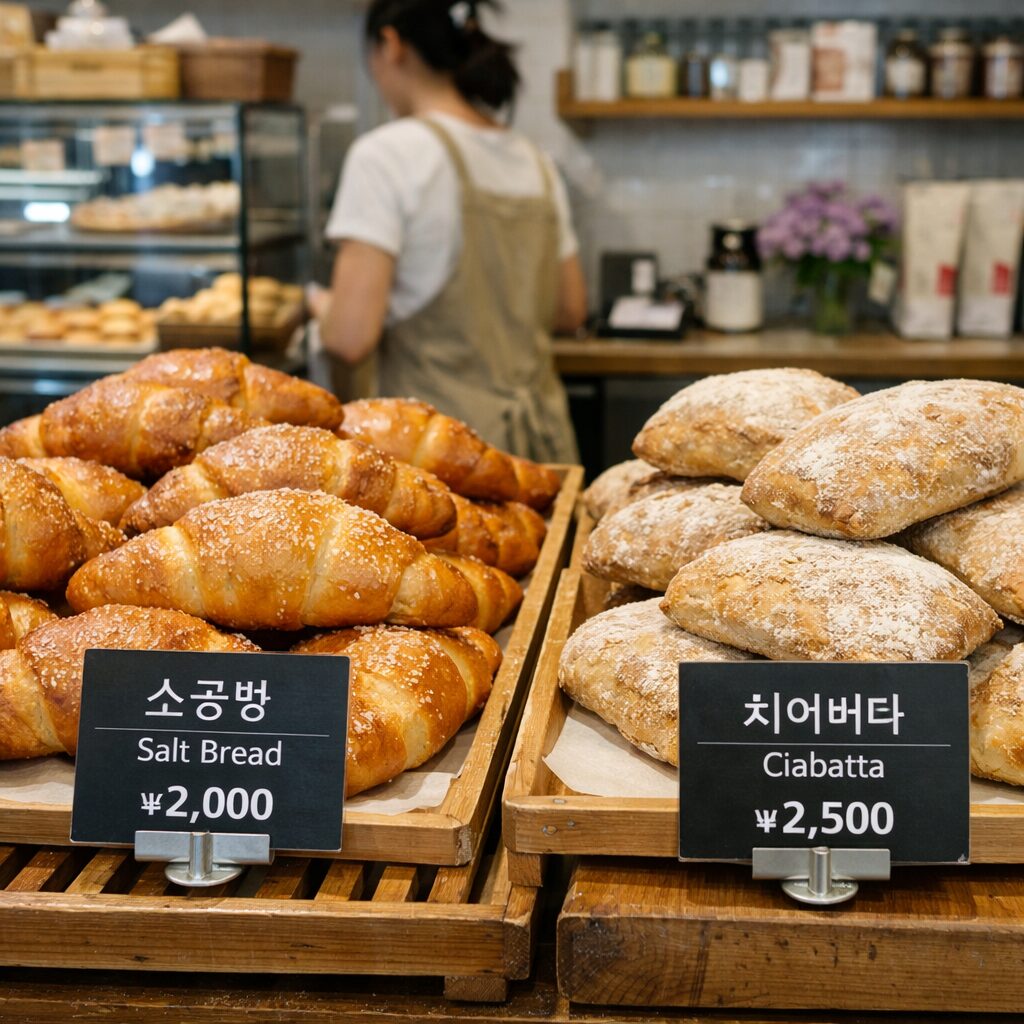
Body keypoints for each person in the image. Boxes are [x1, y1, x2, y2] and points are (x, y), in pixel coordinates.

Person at [312, 0, 585, 463]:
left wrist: (320, 306)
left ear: (391, 45)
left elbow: (350, 337)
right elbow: (569, 310)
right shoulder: (535, 161)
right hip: (541, 449)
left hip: (443, 458)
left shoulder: (386, 155)